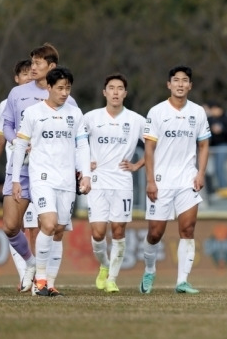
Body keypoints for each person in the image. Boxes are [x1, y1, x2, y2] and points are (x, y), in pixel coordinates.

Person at [1, 43, 77, 293]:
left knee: (53, 228)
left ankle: (46, 281)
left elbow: (76, 136)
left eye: (37, 63)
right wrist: (19, 142)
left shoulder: (68, 100)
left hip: (53, 172)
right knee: (11, 226)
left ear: (51, 67)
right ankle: (31, 264)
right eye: (31, 62)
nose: (32, 67)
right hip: (22, 168)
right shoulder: (17, 93)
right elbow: (8, 127)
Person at [11, 66, 91, 297]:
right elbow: (19, 146)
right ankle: (40, 280)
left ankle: (50, 284)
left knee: (57, 230)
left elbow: (82, 145)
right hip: (41, 178)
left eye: (68, 88)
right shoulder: (33, 113)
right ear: (49, 87)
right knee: (48, 223)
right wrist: (16, 179)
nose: (64, 93)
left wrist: (85, 174)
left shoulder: (75, 114)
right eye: (60, 88)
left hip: (66, 180)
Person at [139, 65, 211, 294]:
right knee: (155, 233)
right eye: (176, 80)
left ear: (190, 85)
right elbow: (148, 149)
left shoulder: (198, 112)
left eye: (185, 80)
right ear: (169, 84)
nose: (180, 84)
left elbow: (203, 144)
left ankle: (182, 281)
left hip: (186, 180)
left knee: (188, 229)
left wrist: (200, 173)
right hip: (161, 181)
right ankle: (150, 270)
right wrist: (150, 180)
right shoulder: (157, 112)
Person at [0, 59, 38, 290]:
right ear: (16, 79)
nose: (29, 78)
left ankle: (38, 278)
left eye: (31, 73)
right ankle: (26, 273)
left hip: (41, 170)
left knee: (38, 226)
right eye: (24, 74)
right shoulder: (8, 103)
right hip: (18, 172)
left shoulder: (45, 100)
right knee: (16, 226)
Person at [84, 73, 146, 293]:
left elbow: (156, 145)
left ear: (125, 93)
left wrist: (138, 165)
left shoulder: (136, 120)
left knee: (118, 231)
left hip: (122, 181)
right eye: (112, 88)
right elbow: (75, 143)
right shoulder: (90, 118)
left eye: (120, 88)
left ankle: (112, 279)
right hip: (98, 181)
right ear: (104, 92)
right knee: (98, 233)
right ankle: (104, 265)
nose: (116, 92)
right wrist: (84, 163)